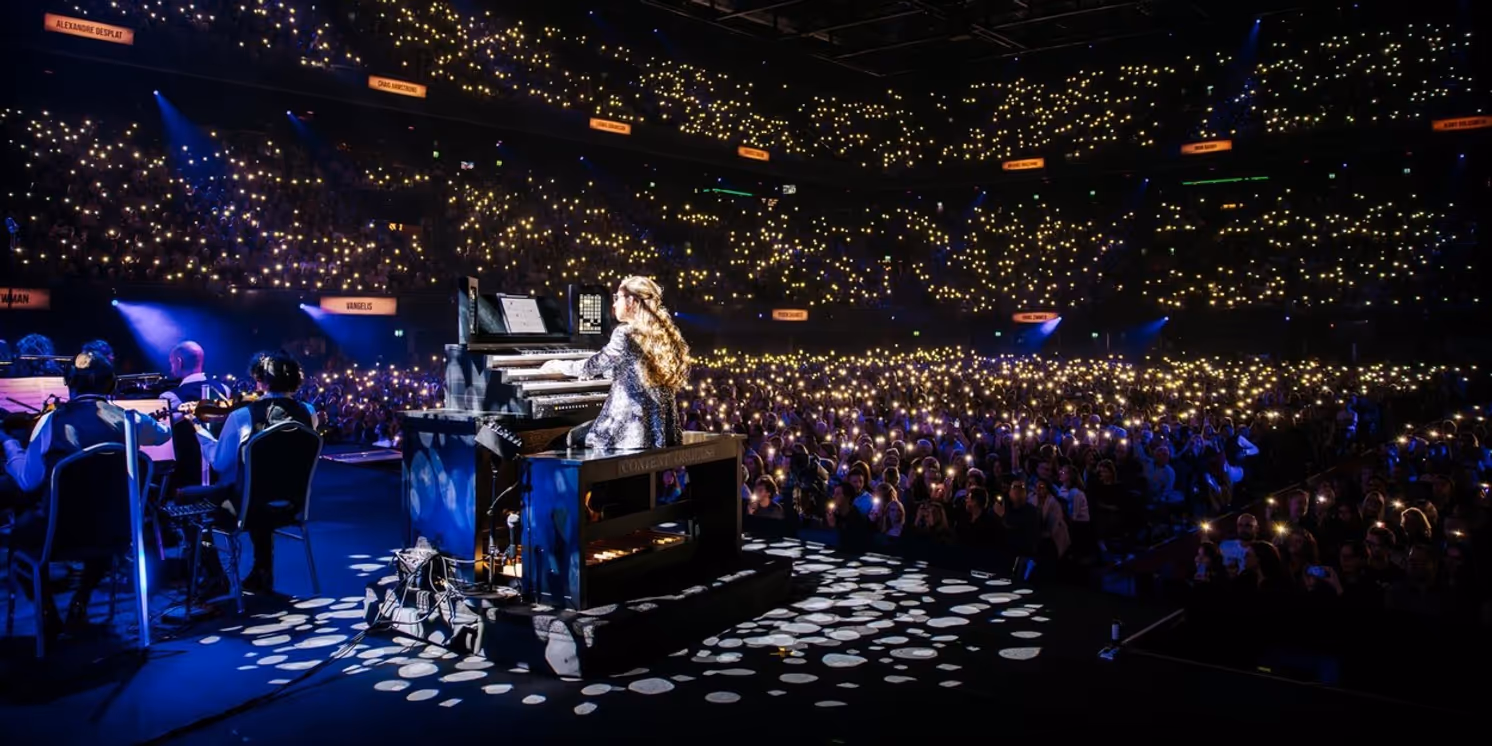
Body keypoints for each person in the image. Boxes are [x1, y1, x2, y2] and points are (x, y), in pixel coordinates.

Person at [0, 351, 172, 636]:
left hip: (58, 534)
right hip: (117, 532)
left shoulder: (50, 422)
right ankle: (81, 600)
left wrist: (9, 445)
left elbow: (29, 482)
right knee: (100, 519)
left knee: (21, 532)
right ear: (112, 385)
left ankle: (47, 611)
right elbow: (163, 435)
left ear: (70, 385)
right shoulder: (129, 420)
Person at [186, 350, 318, 594]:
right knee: (261, 490)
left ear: (262, 381)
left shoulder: (241, 416)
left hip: (249, 509)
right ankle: (262, 571)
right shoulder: (309, 412)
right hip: (291, 506)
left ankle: (216, 578)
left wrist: (198, 430)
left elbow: (218, 463)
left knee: (188, 502)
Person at [540, 276, 690, 450]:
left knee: (561, 441)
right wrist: (603, 373)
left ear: (631, 301)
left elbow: (592, 365)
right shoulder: (664, 334)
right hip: (661, 433)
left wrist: (559, 365)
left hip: (628, 433)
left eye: (617, 298)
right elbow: (633, 370)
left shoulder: (625, 333)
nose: (613, 304)